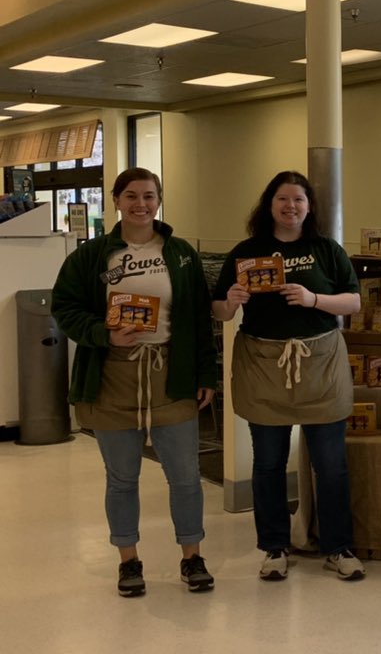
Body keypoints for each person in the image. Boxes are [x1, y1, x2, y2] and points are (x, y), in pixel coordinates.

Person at [51, 167, 217, 598]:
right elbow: (65, 308)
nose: (141, 204)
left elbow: (198, 319)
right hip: (111, 375)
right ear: (116, 200)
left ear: (159, 200)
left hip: (171, 374)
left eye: (149, 196)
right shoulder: (91, 257)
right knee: (121, 478)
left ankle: (192, 556)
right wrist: (103, 334)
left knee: (185, 476)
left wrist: (205, 375)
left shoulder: (179, 253)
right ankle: (129, 561)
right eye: (131, 196)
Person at [212, 171, 364, 583]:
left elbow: (353, 301)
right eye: (282, 199)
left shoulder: (327, 250)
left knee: (331, 465)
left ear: (309, 206)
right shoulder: (247, 251)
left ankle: (338, 547)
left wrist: (313, 298)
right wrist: (231, 301)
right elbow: (219, 311)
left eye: (298, 199)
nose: (290, 206)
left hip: (320, 365)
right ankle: (274, 547)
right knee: (268, 463)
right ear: (269, 204)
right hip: (263, 364)